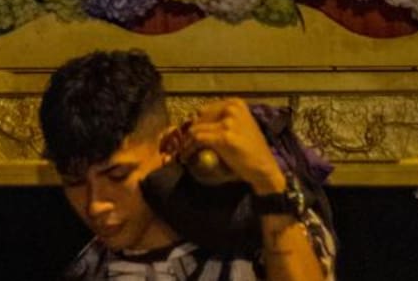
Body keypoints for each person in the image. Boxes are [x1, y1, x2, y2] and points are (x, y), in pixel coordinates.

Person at [38, 48, 335, 280]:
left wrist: (269, 184)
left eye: (117, 175)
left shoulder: (255, 235)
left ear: (168, 146)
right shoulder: (84, 267)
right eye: (74, 182)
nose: (95, 205)